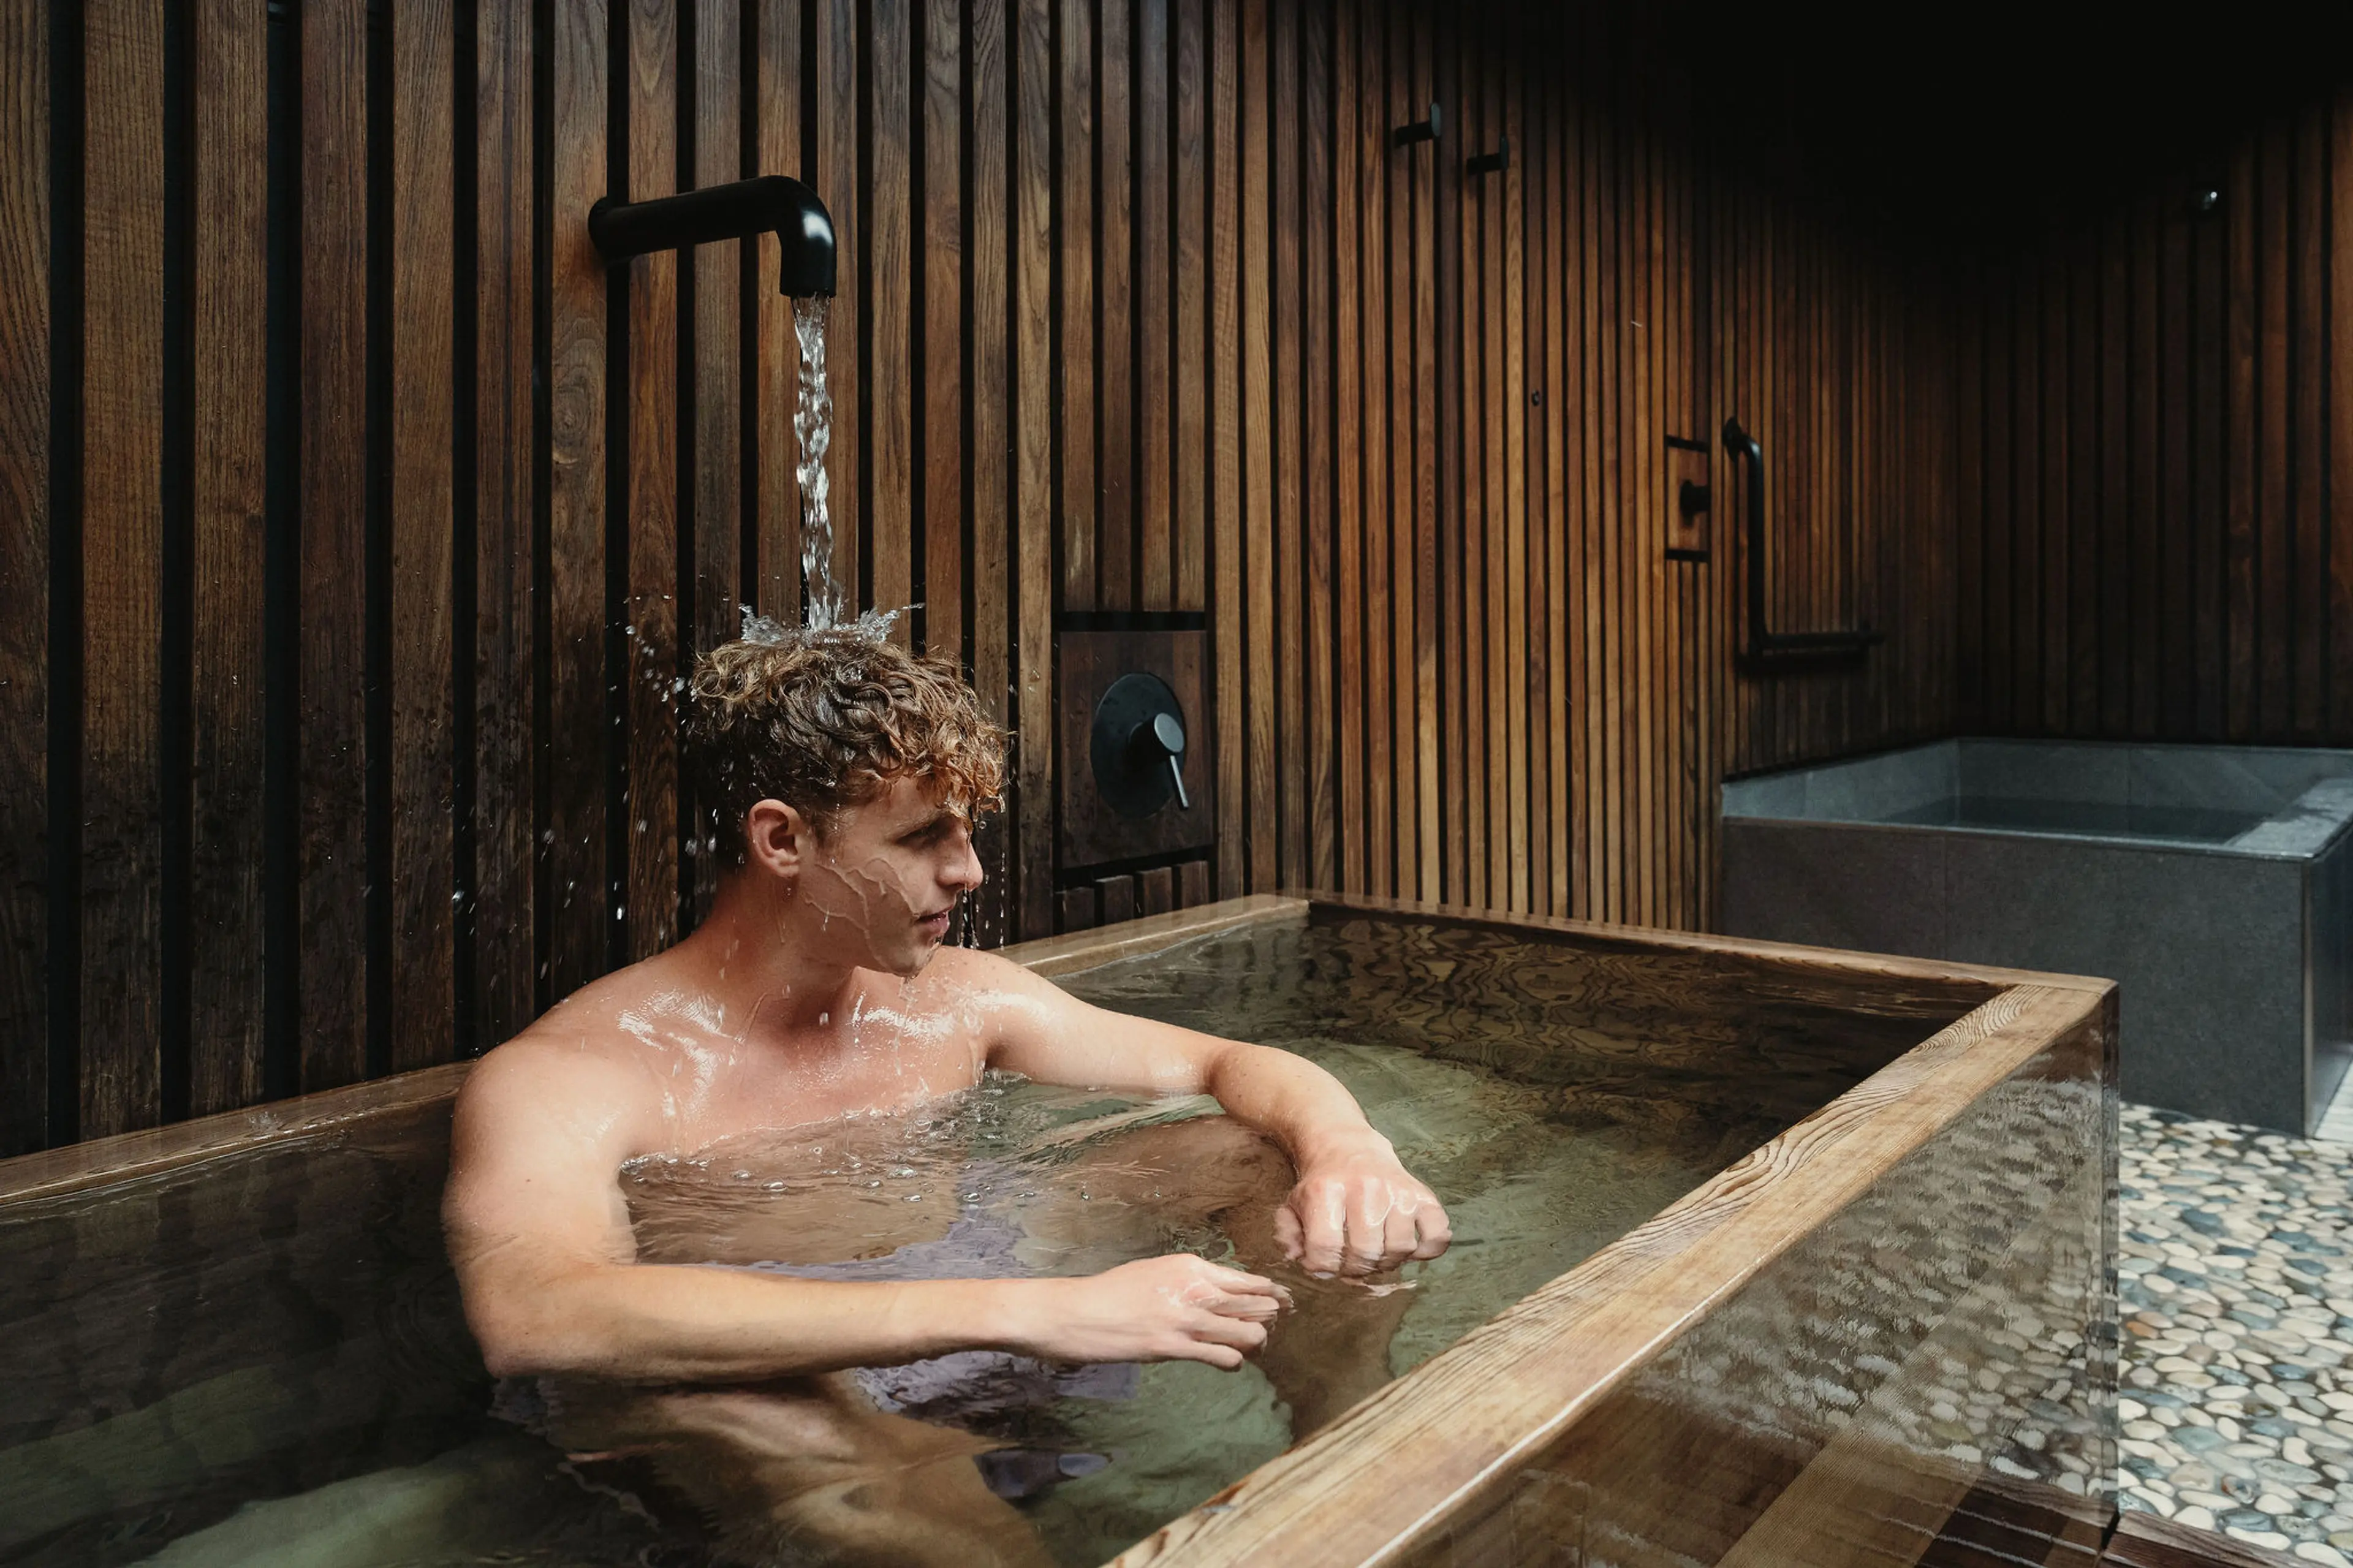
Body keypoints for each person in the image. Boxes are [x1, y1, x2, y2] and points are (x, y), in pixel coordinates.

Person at [442, 622, 1452, 1565]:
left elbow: (1228, 1066)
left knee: (1266, 1153)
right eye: (925, 836)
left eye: (966, 832)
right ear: (783, 840)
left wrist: (1349, 1150)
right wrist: (1037, 1311)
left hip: (970, 1267)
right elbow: (539, 1312)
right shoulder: (574, 1075)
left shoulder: (954, 1003)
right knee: (756, 1407)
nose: (968, 871)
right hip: (781, 1364)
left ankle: (1352, 1464)